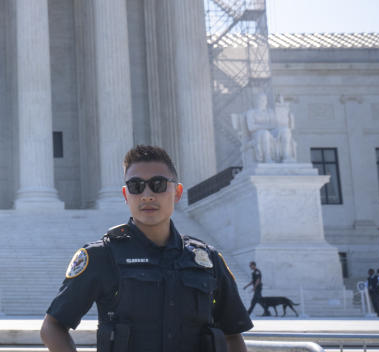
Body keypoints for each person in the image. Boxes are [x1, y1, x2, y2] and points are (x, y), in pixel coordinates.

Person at [41, 145, 251, 352]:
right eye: (136, 186)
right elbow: (52, 327)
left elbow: (232, 335)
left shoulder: (207, 260)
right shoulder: (102, 257)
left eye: (158, 184)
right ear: (126, 195)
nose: (147, 195)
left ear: (177, 192)